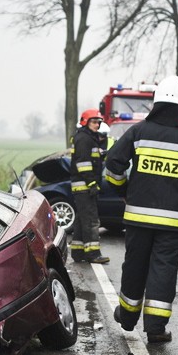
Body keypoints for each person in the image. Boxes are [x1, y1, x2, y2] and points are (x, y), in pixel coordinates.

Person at [105, 75, 178, 344]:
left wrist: (124, 190)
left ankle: (128, 317)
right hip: (173, 224)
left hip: (138, 219)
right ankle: (155, 329)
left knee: (134, 267)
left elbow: (113, 165)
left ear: (156, 103)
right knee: (163, 272)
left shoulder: (138, 132)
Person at [70, 108, 109, 264]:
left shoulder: (87, 138)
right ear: (85, 122)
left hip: (83, 186)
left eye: (98, 122)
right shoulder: (84, 139)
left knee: (81, 220)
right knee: (91, 220)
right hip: (84, 186)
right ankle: (93, 254)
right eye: (94, 122)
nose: (97, 125)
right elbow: (83, 164)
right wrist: (92, 183)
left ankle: (78, 253)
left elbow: (88, 159)